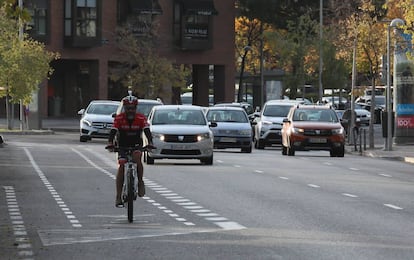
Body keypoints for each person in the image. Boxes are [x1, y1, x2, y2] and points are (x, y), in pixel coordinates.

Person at [106, 95, 153, 207]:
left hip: (136, 145)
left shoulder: (141, 118)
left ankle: (140, 181)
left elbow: (146, 131)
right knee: (122, 165)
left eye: (132, 108)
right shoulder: (119, 118)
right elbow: (113, 131)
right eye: (128, 108)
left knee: (137, 157)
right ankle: (118, 196)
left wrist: (150, 143)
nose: (130, 111)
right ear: (124, 108)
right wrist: (110, 143)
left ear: (136, 108)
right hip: (122, 145)